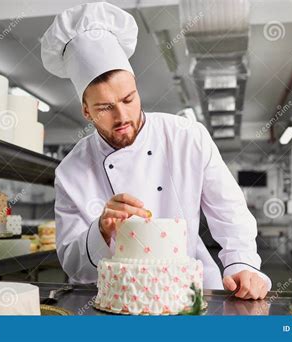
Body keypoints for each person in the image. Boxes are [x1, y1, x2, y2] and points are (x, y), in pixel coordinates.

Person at [41, 2, 271, 299]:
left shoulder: (187, 136)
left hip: (191, 291)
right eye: (105, 107)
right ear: (86, 111)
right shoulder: (71, 171)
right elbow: (73, 265)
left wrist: (242, 264)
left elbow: (230, 211)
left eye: (128, 99)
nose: (122, 116)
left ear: (137, 89)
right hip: (119, 300)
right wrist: (100, 231)